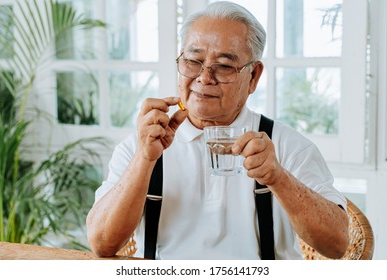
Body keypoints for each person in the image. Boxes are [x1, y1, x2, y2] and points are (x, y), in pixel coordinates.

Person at [86, 1, 349, 260]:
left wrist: (278, 177)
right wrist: (144, 160)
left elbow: (337, 245)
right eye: (193, 61)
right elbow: (102, 244)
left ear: (253, 76)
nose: (204, 78)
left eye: (223, 66)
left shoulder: (287, 145)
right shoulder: (142, 144)